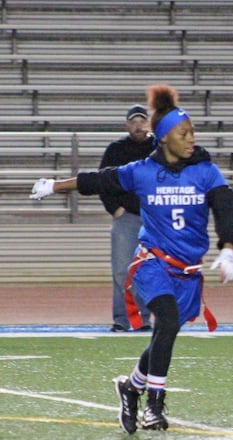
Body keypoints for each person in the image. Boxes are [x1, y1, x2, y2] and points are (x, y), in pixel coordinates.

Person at [29, 84, 233, 434]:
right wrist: (54, 185)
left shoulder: (205, 171)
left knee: (164, 335)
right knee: (166, 322)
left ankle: (131, 387)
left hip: (187, 273)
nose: (191, 139)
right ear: (164, 138)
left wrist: (229, 247)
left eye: (192, 132)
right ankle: (154, 407)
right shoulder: (142, 171)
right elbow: (98, 180)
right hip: (152, 263)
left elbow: (226, 207)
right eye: (183, 133)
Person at [101, 104, 156, 332]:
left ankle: (144, 320)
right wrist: (114, 208)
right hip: (127, 218)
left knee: (148, 269)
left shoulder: (159, 148)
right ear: (127, 125)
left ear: (149, 123)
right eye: (134, 122)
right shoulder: (116, 150)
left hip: (155, 219)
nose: (138, 126)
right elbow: (102, 180)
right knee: (122, 269)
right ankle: (122, 320)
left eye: (142, 121)